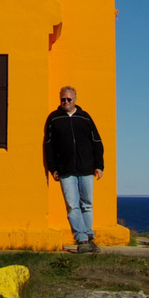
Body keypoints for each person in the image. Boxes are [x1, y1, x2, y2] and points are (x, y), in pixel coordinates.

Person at [43, 86, 104, 252]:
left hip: (86, 168)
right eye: (63, 99)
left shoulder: (85, 118)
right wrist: (53, 168)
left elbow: (97, 142)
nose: (66, 102)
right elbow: (48, 145)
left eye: (69, 99)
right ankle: (81, 239)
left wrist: (99, 166)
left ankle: (89, 237)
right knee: (72, 206)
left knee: (87, 204)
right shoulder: (54, 119)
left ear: (75, 99)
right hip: (65, 170)